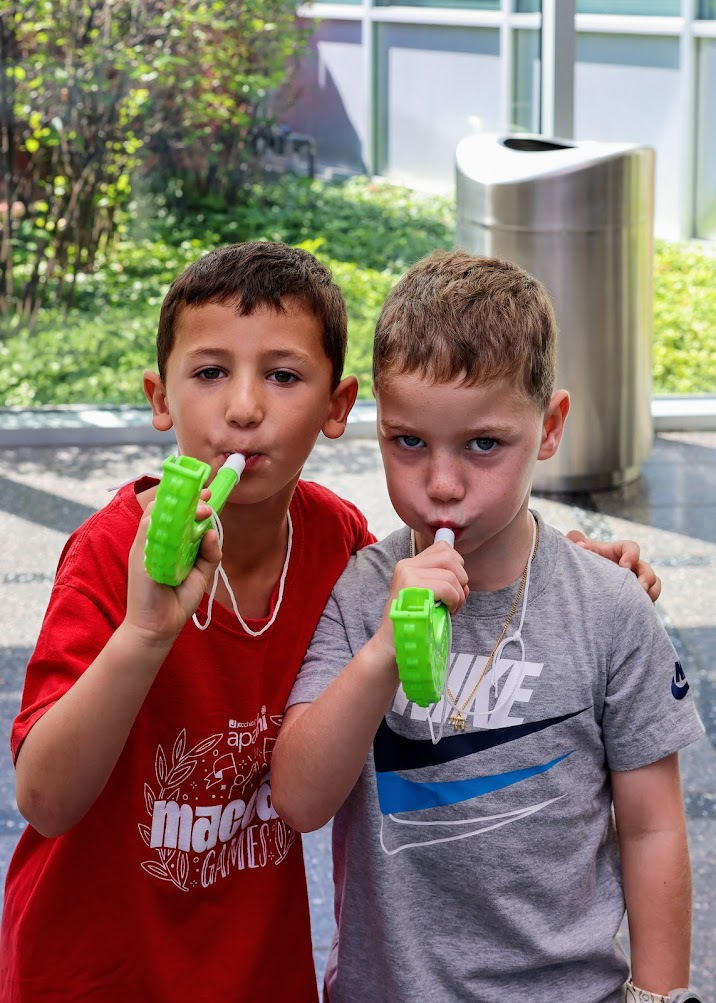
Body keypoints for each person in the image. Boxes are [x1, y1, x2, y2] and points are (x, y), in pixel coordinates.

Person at [0, 239, 662, 1002]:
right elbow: (44, 800)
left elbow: (443, 560)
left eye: (282, 376)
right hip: (90, 974)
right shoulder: (109, 553)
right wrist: (144, 632)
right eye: (210, 372)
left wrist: (570, 568)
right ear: (160, 397)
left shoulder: (336, 545)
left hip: (256, 977)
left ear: (337, 408)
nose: (243, 407)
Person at [271, 250, 705, 1003]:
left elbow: (653, 828)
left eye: (483, 444)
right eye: (409, 441)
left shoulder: (607, 607)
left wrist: (659, 996)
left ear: (549, 427)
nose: (442, 484)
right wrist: (383, 652)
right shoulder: (361, 590)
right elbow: (300, 801)